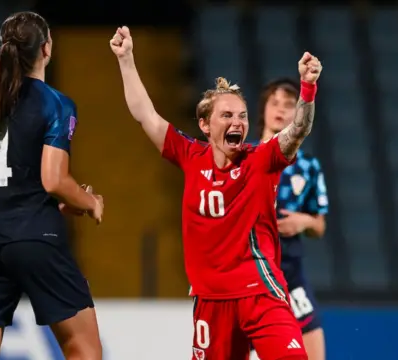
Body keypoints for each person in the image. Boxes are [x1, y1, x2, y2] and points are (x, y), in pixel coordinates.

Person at [110, 26, 322, 360]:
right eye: (227, 115)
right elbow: (144, 114)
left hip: (261, 293)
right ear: (206, 125)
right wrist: (126, 60)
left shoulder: (262, 160)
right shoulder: (190, 155)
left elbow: (298, 130)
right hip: (210, 302)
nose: (237, 122)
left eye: (242, 116)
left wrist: (308, 89)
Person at [0, 12, 104, 360]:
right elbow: (53, 179)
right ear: (46, 48)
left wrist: (48, 204)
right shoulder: (55, 103)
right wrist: (89, 201)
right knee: (84, 349)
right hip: (37, 241)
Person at [257, 78, 329, 360]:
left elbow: (319, 225)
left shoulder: (309, 167)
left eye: (289, 105)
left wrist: (304, 222)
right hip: (255, 276)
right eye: (274, 103)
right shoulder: (245, 157)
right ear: (263, 110)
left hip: (291, 274)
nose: (280, 110)